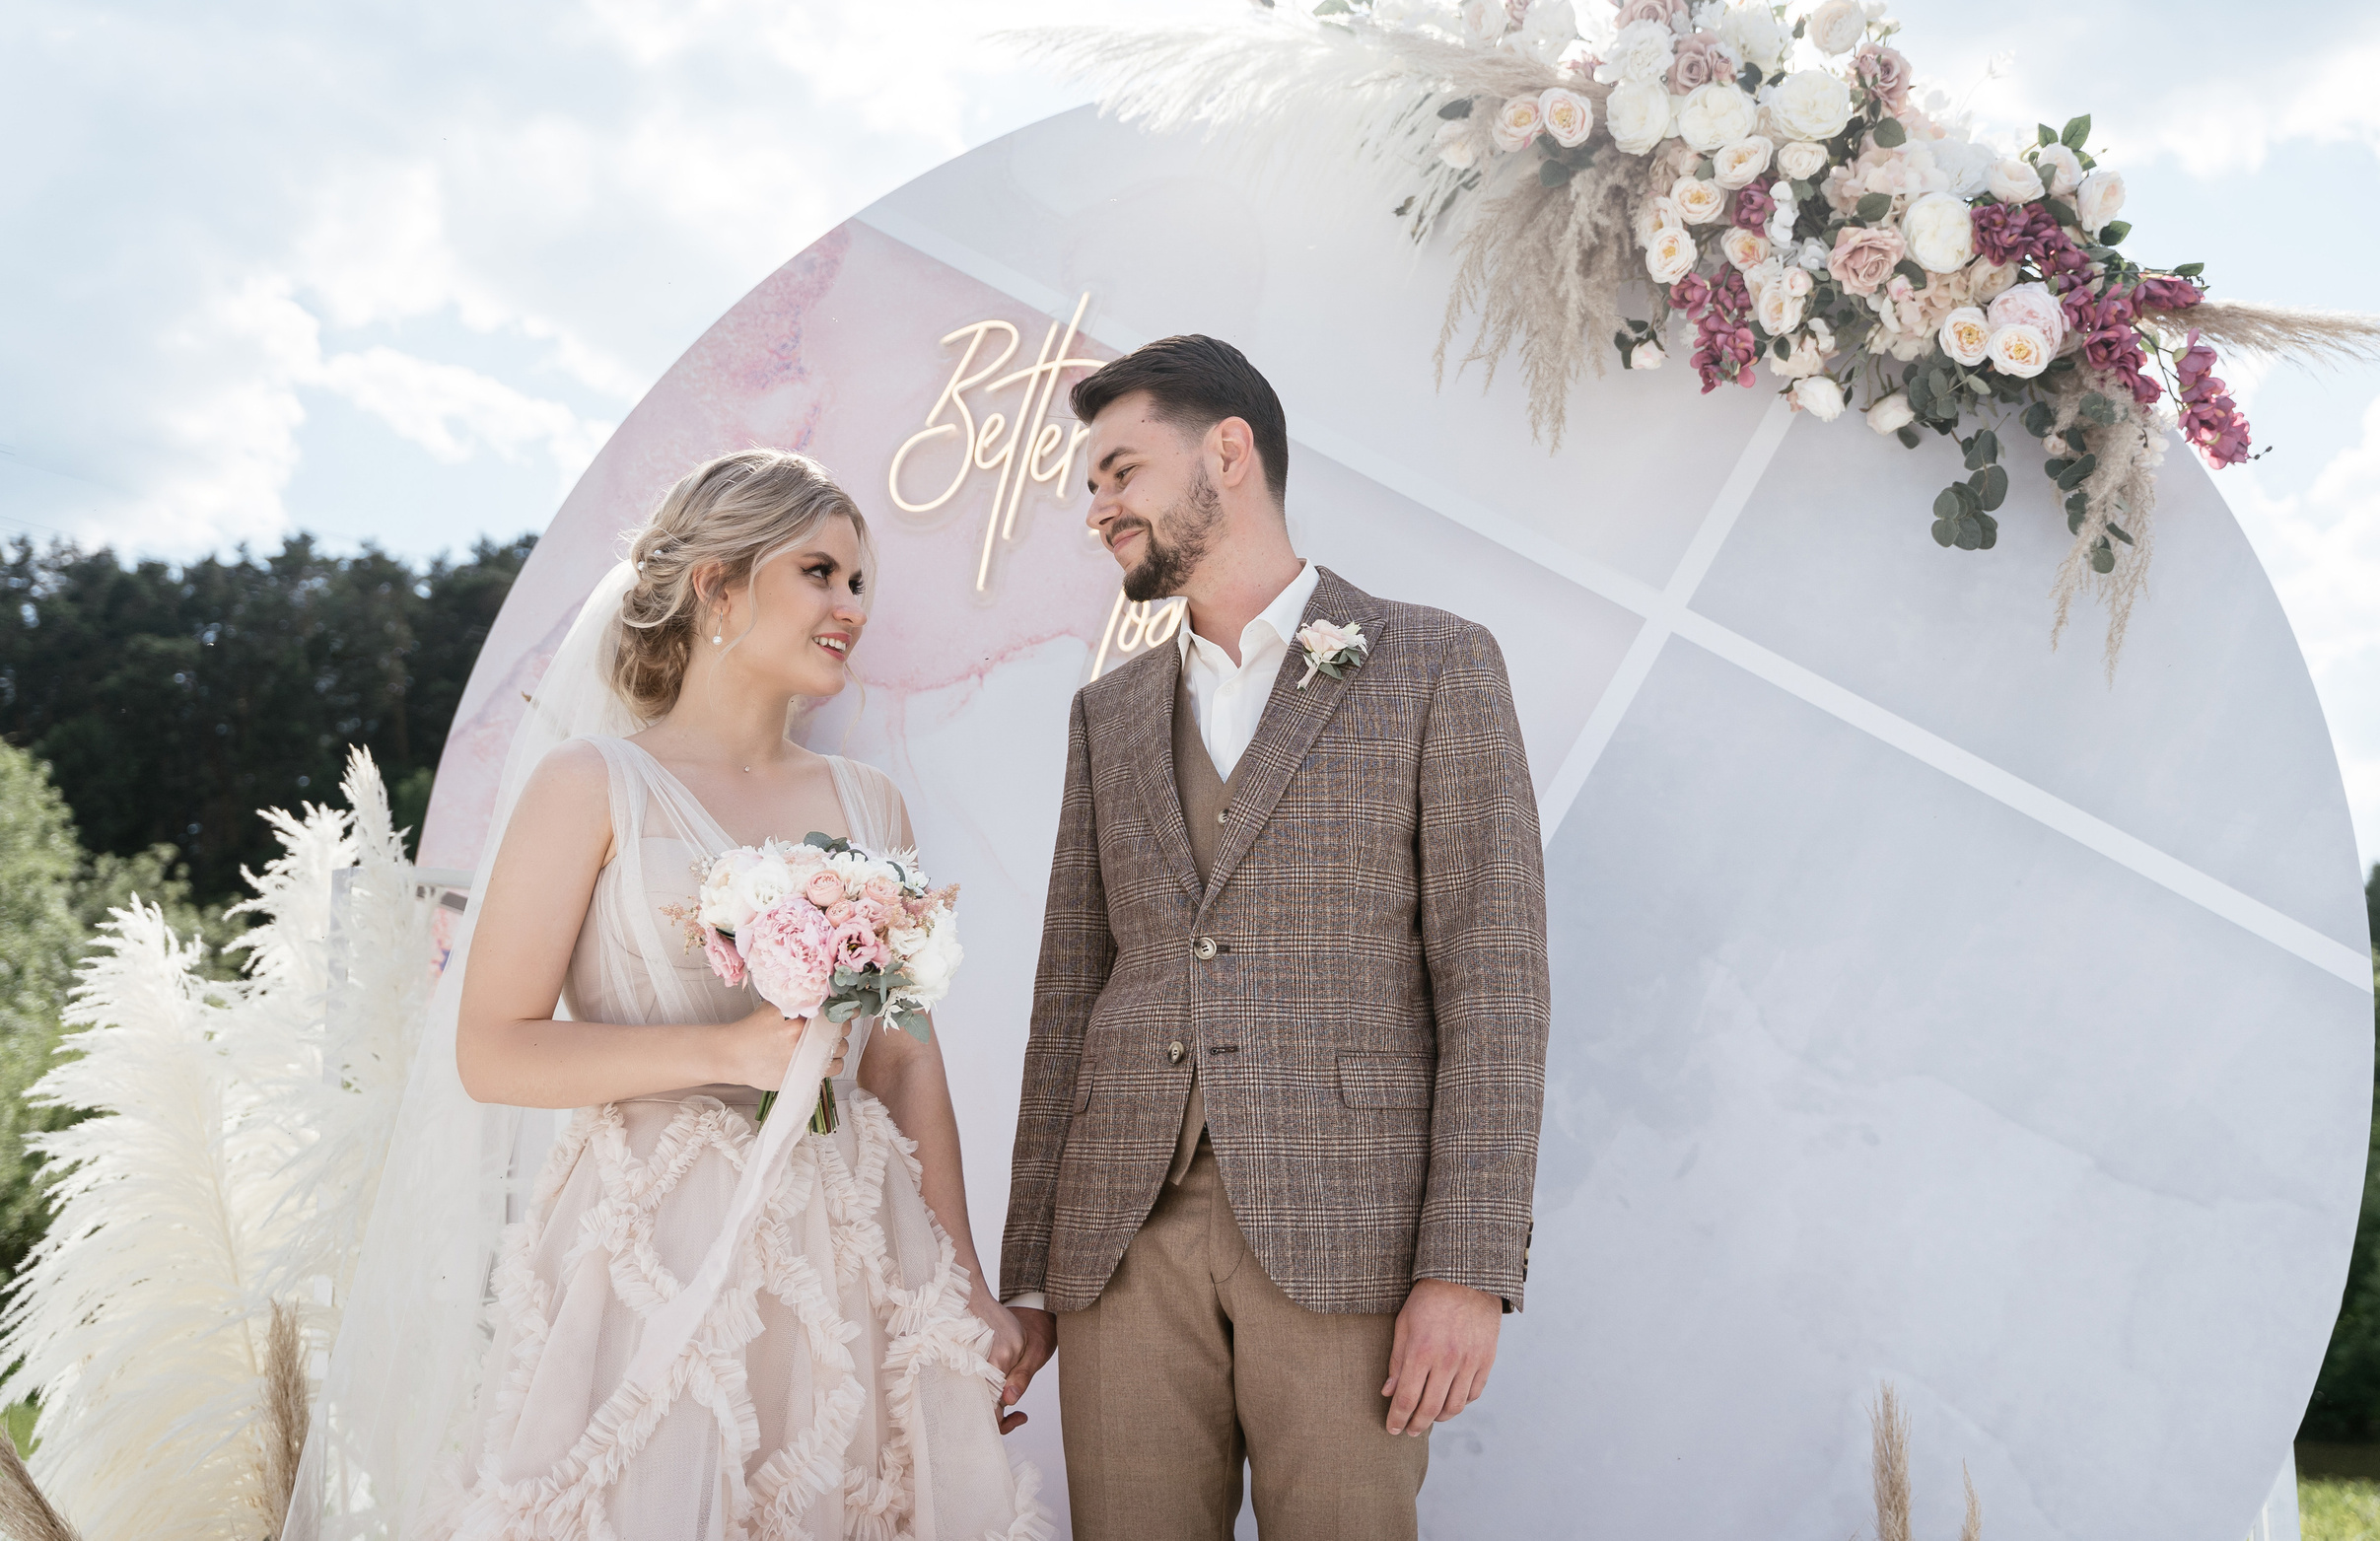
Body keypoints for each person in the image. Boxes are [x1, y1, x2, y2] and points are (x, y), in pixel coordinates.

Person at [285, 451, 1048, 1541]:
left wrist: (965, 1283)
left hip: (854, 1246)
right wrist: (729, 1052)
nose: (851, 608)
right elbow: (492, 1051)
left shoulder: (870, 806)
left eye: (860, 584)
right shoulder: (592, 785)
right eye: (821, 573)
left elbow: (902, 1056)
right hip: (650, 1252)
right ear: (718, 586)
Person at [997, 336, 1551, 1539]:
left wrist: (1468, 1269)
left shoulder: (1437, 664)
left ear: (1228, 453)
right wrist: (1032, 1276)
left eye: (1120, 471)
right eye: (1091, 484)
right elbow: (1066, 1000)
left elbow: (1494, 985)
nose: (1099, 509)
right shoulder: (1110, 714)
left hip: (1347, 1234)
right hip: (1119, 1242)